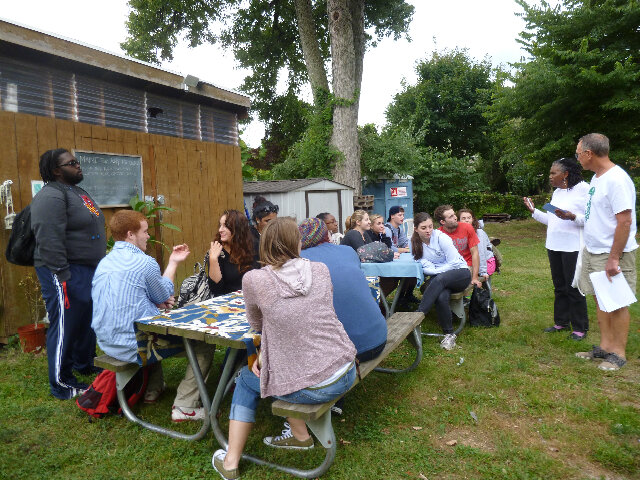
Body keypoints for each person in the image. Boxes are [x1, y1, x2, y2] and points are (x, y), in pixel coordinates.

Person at [212, 217, 356, 479]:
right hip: (346, 366)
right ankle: (300, 436)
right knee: (281, 368)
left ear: (264, 245)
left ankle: (230, 462)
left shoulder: (255, 279)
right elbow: (314, 314)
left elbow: (257, 324)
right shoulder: (320, 269)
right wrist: (268, 355)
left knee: (246, 379)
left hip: (316, 384)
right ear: (298, 243)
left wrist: (265, 356)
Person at [91, 210, 190, 404]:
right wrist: (173, 263)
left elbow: (133, 297)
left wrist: (155, 301)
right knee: (202, 345)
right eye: (144, 231)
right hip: (132, 345)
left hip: (106, 341)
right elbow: (163, 293)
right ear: (130, 234)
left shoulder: (104, 262)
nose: (148, 236)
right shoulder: (144, 262)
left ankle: (154, 388)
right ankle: (186, 404)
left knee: (149, 320)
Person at [171, 209, 260, 422]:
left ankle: (240, 374)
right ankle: (235, 375)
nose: (220, 230)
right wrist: (212, 259)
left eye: (225, 226)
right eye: (219, 225)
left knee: (254, 337)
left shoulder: (253, 248)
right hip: (225, 308)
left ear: (237, 229)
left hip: (251, 306)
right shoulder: (216, 251)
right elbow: (217, 290)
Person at [31, 148, 106, 400]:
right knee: (64, 322)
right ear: (56, 170)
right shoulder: (50, 195)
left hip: (88, 268)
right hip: (63, 269)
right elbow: (48, 237)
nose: (78, 166)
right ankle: (61, 383)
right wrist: (62, 273)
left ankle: (83, 364)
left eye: (77, 162)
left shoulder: (77, 191)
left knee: (86, 319)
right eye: (71, 163)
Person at [571, 134, 637, 371]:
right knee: (601, 299)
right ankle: (605, 346)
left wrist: (614, 258)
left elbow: (625, 222)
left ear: (589, 153)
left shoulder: (617, 180)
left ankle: (618, 353)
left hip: (612, 253)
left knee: (617, 302)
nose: (577, 158)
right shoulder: (598, 178)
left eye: (578, 153)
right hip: (594, 251)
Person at [523, 157, 590, 340]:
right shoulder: (558, 193)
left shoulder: (585, 189)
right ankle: (561, 322)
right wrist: (534, 212)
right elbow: (552, 220)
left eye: (554, 173)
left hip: (573, 247)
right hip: (554, 245)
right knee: (559, 286)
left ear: (566, 174)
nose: (550, 176)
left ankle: (580, 328)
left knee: (573, 287)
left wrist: (572, 216)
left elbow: (591, 219)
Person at [413, 212, 471, 350]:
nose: (428, 230)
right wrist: (435, 271)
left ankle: (417, 317)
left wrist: (435, 270)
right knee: (441, 295)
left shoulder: (442, 238)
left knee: (439, 279)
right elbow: (420, 263)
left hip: (460, 273)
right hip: (441, 279)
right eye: (423, 228)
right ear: (416, 229)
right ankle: (449, 334)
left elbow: (453, 263)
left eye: (430, 226)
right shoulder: (414, 242)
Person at [434, 204, 482, 288]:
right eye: (451, 216)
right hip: (449, 266)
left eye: (454, 215)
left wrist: (475, 277)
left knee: (444, 282)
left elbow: (475, 253)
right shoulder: (438, 234)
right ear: (442, 222)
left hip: (466, 265)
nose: (455, 217)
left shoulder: (467, 228)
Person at [458, 209, 495, 281]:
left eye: (469, 218)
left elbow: (481, 252)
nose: (467, 220)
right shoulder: (458, 232)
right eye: (463, 218)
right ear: (458, 221)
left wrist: (483, 271)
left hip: (486, 263)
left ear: (473, 219)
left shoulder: (479, 233)